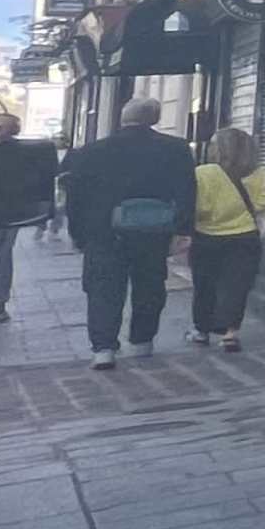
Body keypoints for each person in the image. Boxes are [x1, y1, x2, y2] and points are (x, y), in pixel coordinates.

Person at [61, 97, 197, 368]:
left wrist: (77, 233)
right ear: (155, 119)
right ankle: (142, 341)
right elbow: (187, 192)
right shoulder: (176, 149)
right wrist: (182, 228)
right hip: (153, 230)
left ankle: (103, 348)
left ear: (123, 118)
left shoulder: (92, 151)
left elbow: (76, 197)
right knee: (150, 285)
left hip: (104, 231)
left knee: (103, 289)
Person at [189, 126, 265, 352]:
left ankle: (202, 331)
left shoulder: (203, 172)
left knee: (204, 285)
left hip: (207, 236)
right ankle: (230, 333)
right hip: (244, 236)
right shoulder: (256, 172)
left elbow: (198, 207)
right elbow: (264, 203)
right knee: (237, 285)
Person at [0, 108, 59, 323]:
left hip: (7, 212)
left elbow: (38, 181)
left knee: (1, 257)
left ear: (12, 131)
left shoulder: (23, 155)